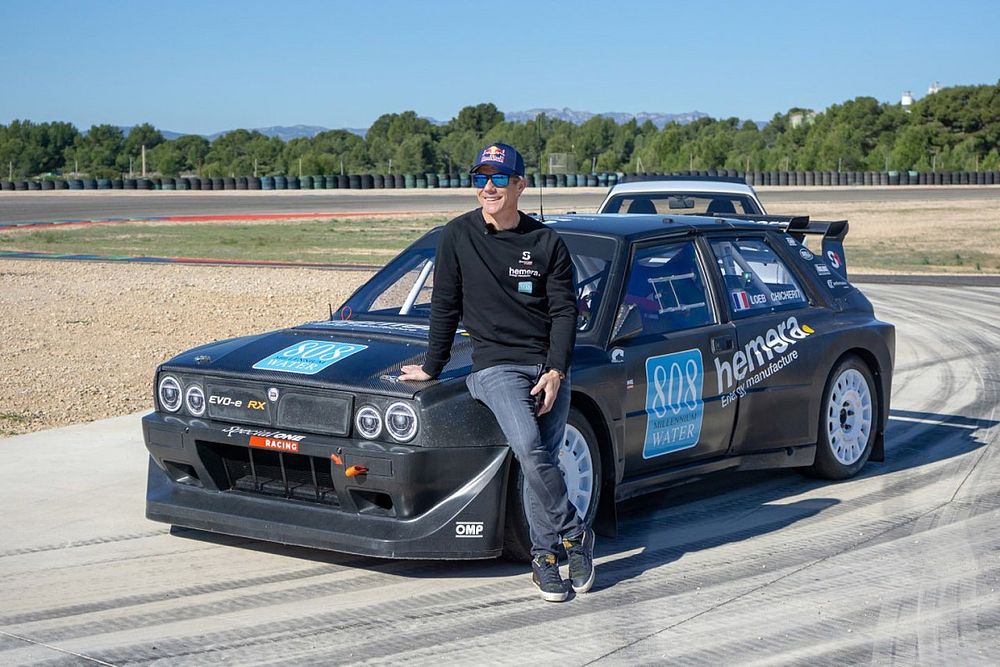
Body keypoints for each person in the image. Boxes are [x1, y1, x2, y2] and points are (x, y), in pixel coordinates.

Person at [399, 143, 595, 602]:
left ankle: (545, 560)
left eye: (499, 178)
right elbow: (444, 306)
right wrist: (432, 365)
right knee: (528, 446)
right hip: (496, 367)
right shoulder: (456, 236)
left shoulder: (547, 243)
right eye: (480, 178)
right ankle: (576, 533)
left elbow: (565, 314)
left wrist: (556, 371)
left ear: (520, 185)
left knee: (539, 462)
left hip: (545, 368)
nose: (488, 187)